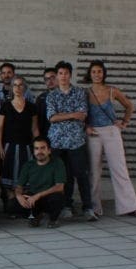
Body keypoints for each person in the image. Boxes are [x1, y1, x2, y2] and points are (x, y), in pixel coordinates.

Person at [86, 60, 136, 217]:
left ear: (104, 73)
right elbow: (82, 114)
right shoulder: (85, 92)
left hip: (112, 131)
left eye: (99, 71)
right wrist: (86, 127)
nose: (97, 74)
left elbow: (129, 106)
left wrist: (124, 122)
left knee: (119, 169)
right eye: (94, 71)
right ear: (89, 74)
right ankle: (94, 208)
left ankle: (130, 206)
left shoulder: (112, 91)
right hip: (93, 134)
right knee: (93, 171)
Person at [47, 60, 97, 221]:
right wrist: (72, 115)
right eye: (60, 73)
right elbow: (52, 117)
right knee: (65, 176)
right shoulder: (52, 95)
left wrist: (67, 115)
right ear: (56, 76)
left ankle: (88, 207)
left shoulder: (79, 93)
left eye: (66, 73)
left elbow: (82, 115)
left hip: (76, 141)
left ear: (70, 75)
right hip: (57, 142)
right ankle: (67, 206)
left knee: (81, 174)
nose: (63, 76)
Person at [0, 76, 39, 207]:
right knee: (9, 180)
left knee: (24, 179)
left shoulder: (32, 107)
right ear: (11, 87)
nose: (17, 88)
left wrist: (38, 146)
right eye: (15, 85)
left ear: (24, 87)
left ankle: (22, 207)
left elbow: (35, 129)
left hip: (26, 147)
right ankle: (11, 207)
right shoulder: (6, 106)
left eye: (20, 85)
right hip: (9, 147)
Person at [9, 136, 67, 228]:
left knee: (57, 198)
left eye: (42, 148)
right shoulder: (28, 165)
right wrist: (19, 195)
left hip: (49, 197)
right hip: (34, 199)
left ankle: (53, 219)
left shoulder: (57, 162)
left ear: (49, 150)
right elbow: (19, 186)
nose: (39, 151)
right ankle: (36, 216)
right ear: (33, 151)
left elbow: (59, 187)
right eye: (36, 148)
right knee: (13, 204)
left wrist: (38, 195)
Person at [35, 67, 57, 138]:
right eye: (47, 79)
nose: (50, 81)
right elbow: (37, 121)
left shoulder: (67, 96)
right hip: (45, 136)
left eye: (52, 78)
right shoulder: (41, 98)